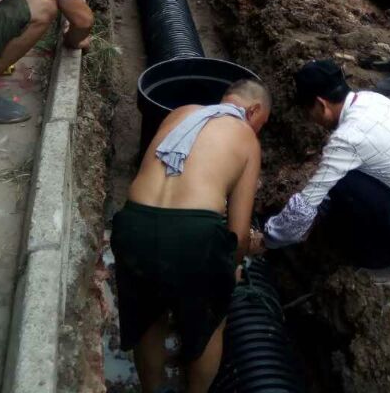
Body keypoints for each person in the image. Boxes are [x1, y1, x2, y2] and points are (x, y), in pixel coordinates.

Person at [111, 79, 271, 393]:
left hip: (133, 224)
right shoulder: (246, 139)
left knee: (148, 320)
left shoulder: (180, 113)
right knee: (209, 326)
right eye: (260, 124)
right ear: (253, 110)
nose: (257, 131)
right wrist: (231, 268)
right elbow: (238, 234)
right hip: (193, 235)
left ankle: (150, 389)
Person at [258, 60, 390, 286]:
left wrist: (267, 240)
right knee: (344, 182)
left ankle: (389, 260)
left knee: (344, 185)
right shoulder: (370, 100)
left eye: (309, 112)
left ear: (321, 104)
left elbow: (303, 209)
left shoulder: (348, 138)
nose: (311, 120)